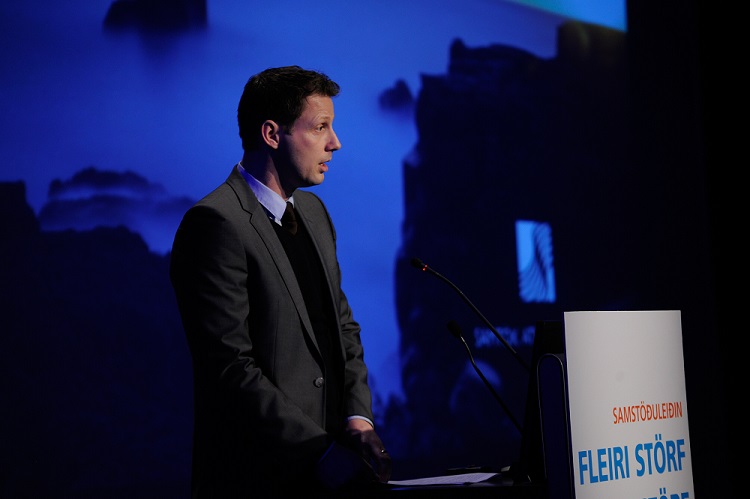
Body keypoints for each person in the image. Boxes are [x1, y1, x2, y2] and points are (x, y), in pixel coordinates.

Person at [169, 65, 392, 497]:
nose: (335, 142)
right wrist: (319, 452)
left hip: (334, 476)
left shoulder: (314, 214)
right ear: (272, 134)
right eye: (321, 127)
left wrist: (358, 419)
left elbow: (343, 327)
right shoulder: (215, 223)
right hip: (259, 480)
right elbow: (230, 367)